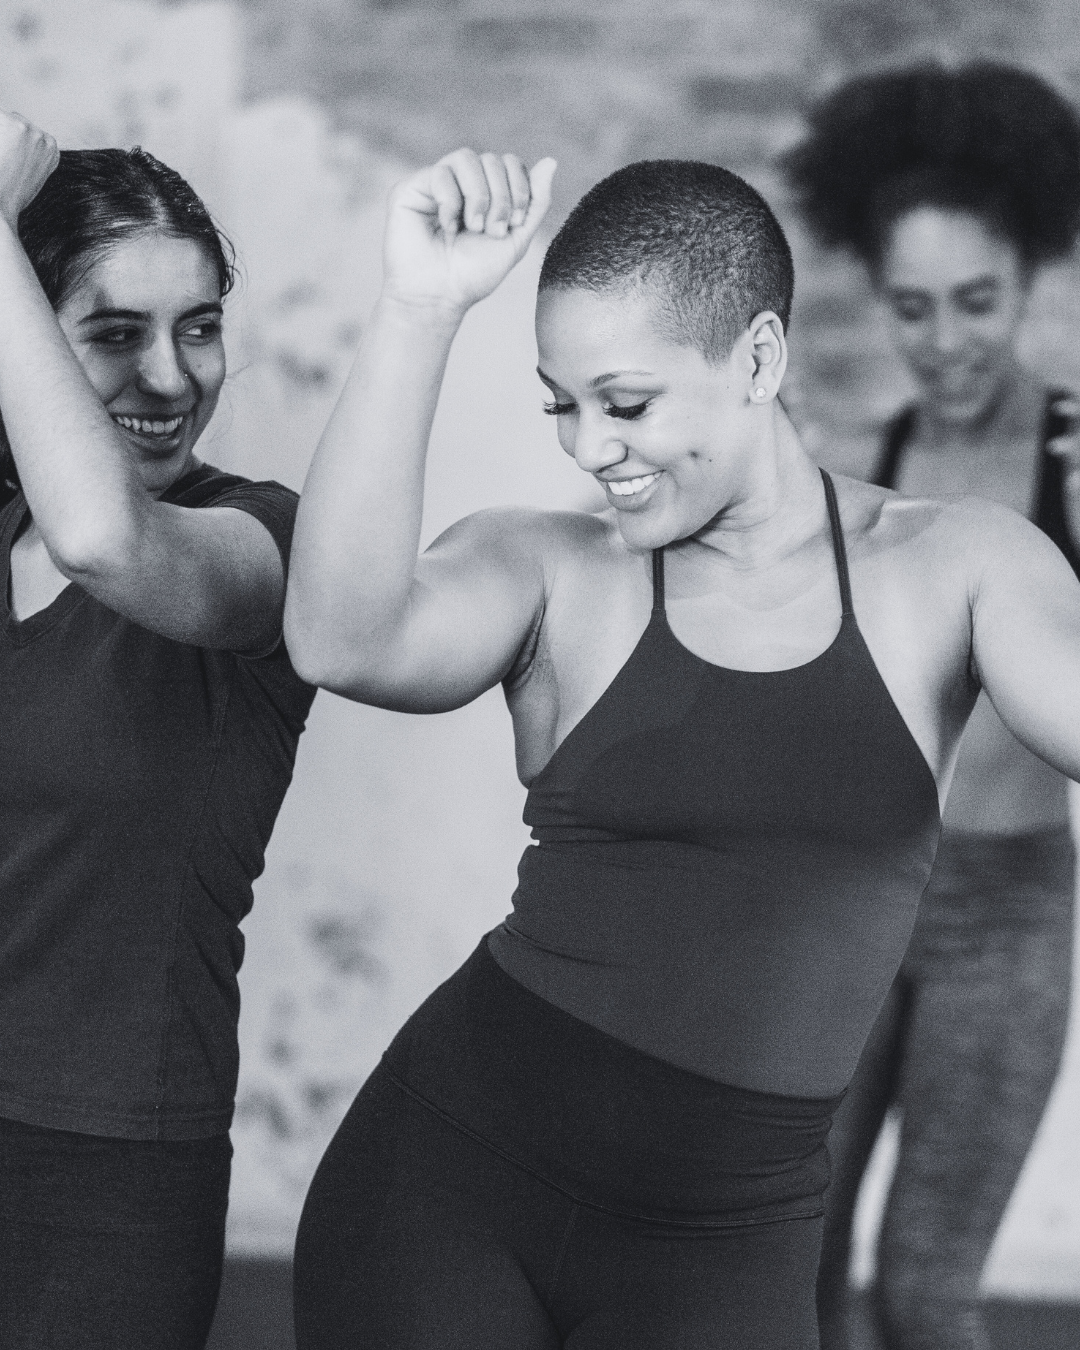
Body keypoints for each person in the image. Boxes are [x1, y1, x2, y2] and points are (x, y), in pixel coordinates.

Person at [284, 145, 1080, 1350]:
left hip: (727, 1249)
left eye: (628, 401)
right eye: (561, 404)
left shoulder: (955, 566)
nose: (587, 446)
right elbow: (340, 639)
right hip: (450, 1184)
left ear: (757, 357)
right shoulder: (553, 566)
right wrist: (419, 308)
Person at [0, 114, 315, 1348]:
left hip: (109, 1170)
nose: (174, 377)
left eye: (198, 327)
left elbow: (104, 540)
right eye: (116, 333)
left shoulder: (265, 542)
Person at [782, 63, 1080, 1350]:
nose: (946, 340)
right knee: (791, 1267)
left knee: (923, 1294)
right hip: (856, 897)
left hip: (1006, 917)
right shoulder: (880, 468)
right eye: (913, 306)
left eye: (977, 300)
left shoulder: (1075, 462)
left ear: (1028, 282)